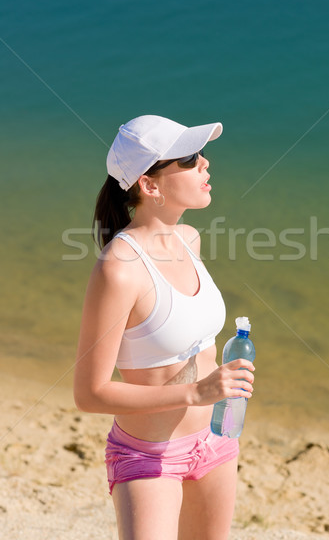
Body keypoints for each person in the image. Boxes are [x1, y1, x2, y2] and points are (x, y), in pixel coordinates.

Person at [73, 115, 255, 540]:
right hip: (148, 455)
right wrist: (196, 392)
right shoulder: (118, 270)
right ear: (149, 185)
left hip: (215, 441)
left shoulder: (189, 239)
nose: (205, 164)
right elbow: (89, 393)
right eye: (190, 159)